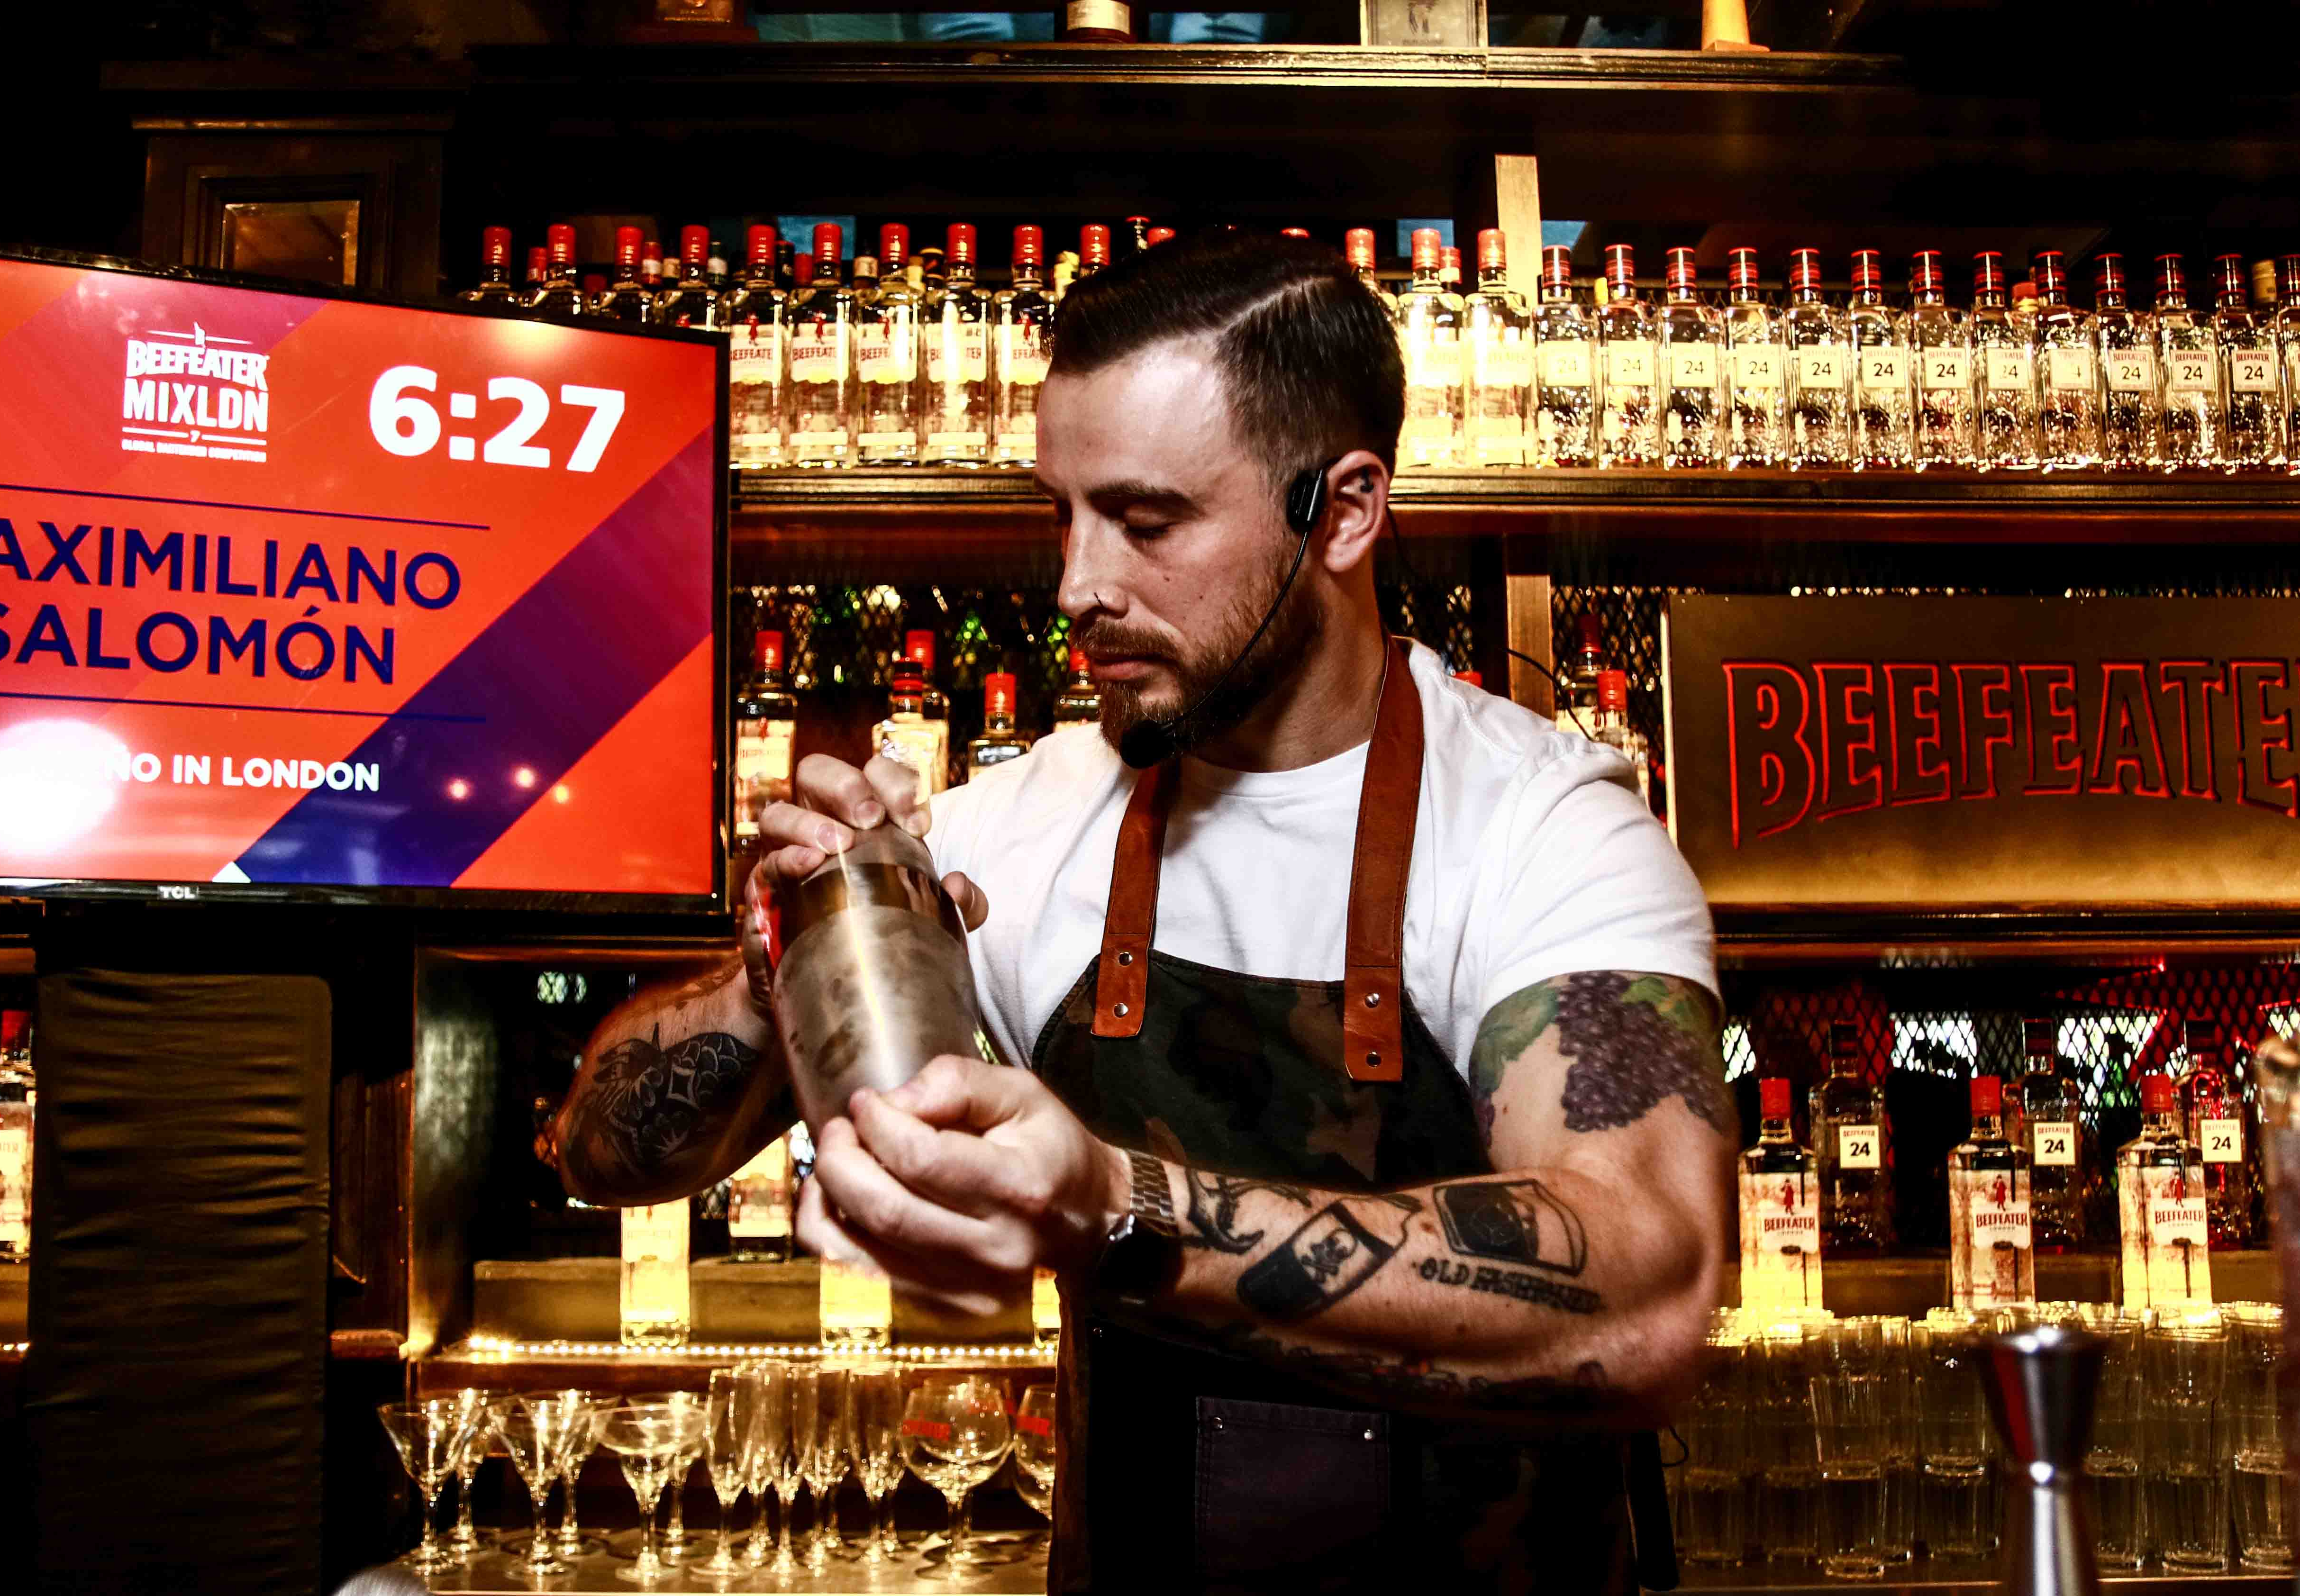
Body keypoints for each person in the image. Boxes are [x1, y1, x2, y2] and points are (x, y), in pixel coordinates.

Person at [542, 230, 1727, 1592]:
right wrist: (787, 969)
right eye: (1064, 513)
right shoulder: (1017, 828)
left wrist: (1114, 1204)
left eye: (1148, 523)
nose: (1077, 587)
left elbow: (1646, 1304)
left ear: (1343, 511)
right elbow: (602, 1156)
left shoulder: (1543, 829)